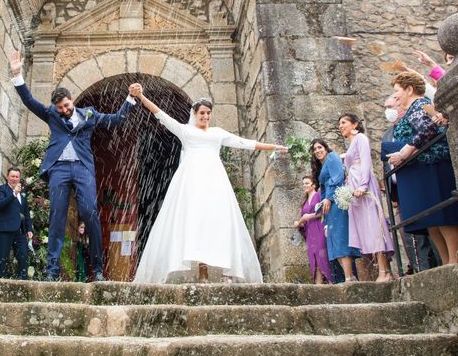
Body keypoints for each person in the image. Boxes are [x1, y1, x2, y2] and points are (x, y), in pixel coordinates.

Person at [132, 89, 286, 283]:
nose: (205, 116)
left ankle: (225, 272)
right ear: (195, 114)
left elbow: (244, 143)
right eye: (201, 113)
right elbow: (160, 114)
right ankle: (202, 272)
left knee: (220, 220)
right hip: (192, 182)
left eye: (208, 113)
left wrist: (273, 147)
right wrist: (141, 97)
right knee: (196, 223)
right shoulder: (185, 131)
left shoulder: (217, 133)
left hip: (215, 181)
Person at [9, 50, 138, 281]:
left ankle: (98, 270)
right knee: (57, 216)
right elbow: (29, 101)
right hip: (59, 168)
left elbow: (117, 119)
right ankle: (51, 271)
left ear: (72, 100)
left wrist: (129, 99)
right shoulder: (51, 114)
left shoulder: (88, 115)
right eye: (60, 108)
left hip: (82, 168)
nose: (64, 110)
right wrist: (18, 75)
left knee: (90, 212)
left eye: (67, 105)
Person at [387, 72, 458, 265]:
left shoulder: (419, 105)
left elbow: (428, 129)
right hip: (422, 167)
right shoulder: (411, 108)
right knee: (431, 219)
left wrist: (405, 152)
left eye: (397, 91)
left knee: (442, 214)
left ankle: (453, 259)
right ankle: (445, 261)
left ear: (409, 89)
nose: (395, 96)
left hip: (433, 164)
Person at [381, 95, 438, 273]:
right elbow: (386, 163)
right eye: (385, 107)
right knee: (411, 236)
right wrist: (392, 194)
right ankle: (420, 270)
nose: (387, 110)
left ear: (400, 105)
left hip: (418, 181)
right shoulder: (387, 134)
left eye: (390, 106)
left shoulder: (413, 122)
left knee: (432, 226)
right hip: (400, 191)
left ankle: (439, 264)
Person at [338, 114, 394, 282]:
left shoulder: (361, 138)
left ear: (354, 124)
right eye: (339, 124)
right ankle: (378, 271)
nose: (340, 126)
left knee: (374, 226)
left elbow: (366, 162)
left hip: (364, 186)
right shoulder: (350, 144)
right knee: (365, 230)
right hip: (354, 190)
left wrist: (362, 185)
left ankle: (385, 271)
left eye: (344, 123)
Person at [310, 139, 361, 283]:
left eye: (320, 147)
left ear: (326, 148)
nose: (317, 151)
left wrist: (329, 198)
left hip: (337, 202)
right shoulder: (322, 165)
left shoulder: (332, 157)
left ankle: (349, 276)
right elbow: (324, 187)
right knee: (333, 240)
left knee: (340, 237)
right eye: (315, 149)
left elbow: (338, 177)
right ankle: (348, 276)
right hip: (329, 207)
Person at [0, 167, 33, 280]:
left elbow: (26, 213)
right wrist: (14, 194)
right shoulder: (1, 189)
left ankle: (23, 285)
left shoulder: (23, 194)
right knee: (2, 258)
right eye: (12, 176)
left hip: (20, 231)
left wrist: (29, 229)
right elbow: (0, 205)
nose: (15, 179)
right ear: (7, 177)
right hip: (5, 229)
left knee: (23, 258)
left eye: (17, 177)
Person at [294, 176, 331, 284]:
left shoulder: (319, 195)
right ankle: (318, 282)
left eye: (307, 183)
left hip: (319, 227)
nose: (304, 185)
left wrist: (308, 216)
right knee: (313, 256)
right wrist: (299, 224)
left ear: (313, 185)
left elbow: (323, 211)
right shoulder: (304, 201)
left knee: (321, 253)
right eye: (303, 183)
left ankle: (330, 280)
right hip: (310, 231)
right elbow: (304, 218)